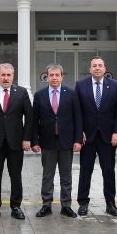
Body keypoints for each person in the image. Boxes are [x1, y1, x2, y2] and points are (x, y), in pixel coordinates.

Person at [0, 63, 32, 220]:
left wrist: (27, 138)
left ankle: (16, 206)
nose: (6, 78)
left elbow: (30, 117)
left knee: (16, 176)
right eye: (3, 75)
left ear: (13, 76)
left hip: (16, 142)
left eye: (9, 75)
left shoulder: (21, 92)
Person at [74, 57, 117, 216]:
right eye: (94, 65)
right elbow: (77, 111)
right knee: (85, 171)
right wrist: (79, 131)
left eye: (100, 65)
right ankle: (83, 202)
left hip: (107, 137)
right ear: (90, 69)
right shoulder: (80, 85)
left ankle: (110, 203)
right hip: (87, 137)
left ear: (104, 68)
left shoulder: (114, 85)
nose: (97, 68)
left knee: (108, 171)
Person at [33, 64, 82, 218]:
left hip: (66, 141)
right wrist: (35, 141)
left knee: (66, 176)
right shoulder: (39, 95)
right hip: (47, 141)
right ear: (47, 77)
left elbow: (78, 118)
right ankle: (46, 205)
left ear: (62, 76)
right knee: (47, 175)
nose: (54, 78)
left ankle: (66, 205)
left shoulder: (71, 94)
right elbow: (34, 120)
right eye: (51, 75)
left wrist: (78, 140)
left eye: (57, 75)